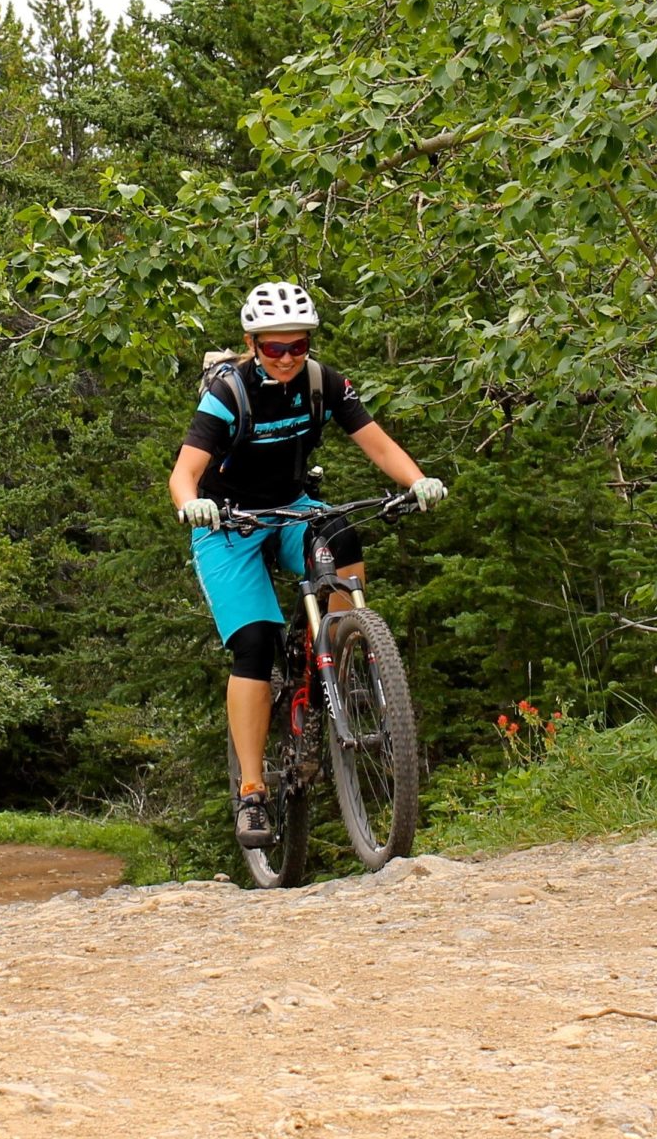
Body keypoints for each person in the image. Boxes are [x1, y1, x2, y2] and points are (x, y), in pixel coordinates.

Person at [166, 282, 447, 849]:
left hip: (293, 509)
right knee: (256, 645)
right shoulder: (228, 393)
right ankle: (251, 793)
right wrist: (190, 504)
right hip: (228, 524)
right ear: (251, 344)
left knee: (341, 535)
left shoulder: (324, 383)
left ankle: (345, 657)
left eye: (298, 345)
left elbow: (378, 443)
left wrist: (417, 481)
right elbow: (184, 472)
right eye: (274, 349)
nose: (289, 357)